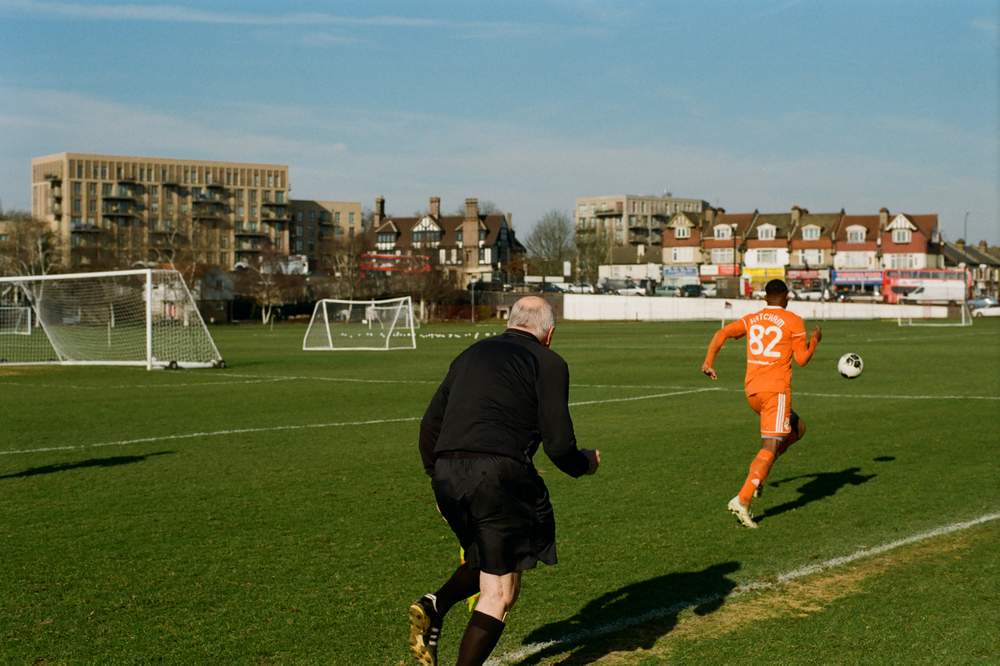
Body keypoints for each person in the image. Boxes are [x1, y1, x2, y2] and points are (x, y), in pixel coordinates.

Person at [410, 296, 600, 666]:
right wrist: (585, 464)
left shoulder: (470, 353)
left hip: (447, 473)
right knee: (500, 590)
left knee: (486, 560)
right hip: (497, 477)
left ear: (509, 321)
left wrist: (439, 477)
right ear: (549, 334)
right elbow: (559, 445)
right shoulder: (548, 361)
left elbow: (429, 427)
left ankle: (435, 604)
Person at [700, 279, 821, 528]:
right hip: (775, 392)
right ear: (786, 296)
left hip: (752, 391)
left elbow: (722, 333)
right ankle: (742, 500)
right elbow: (802, 360)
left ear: (765, 298)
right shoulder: (794, 321)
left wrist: (708, 361)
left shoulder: (752, 318)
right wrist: (815, 341)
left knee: (797, 428)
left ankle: (759, 476)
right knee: (770, 446)